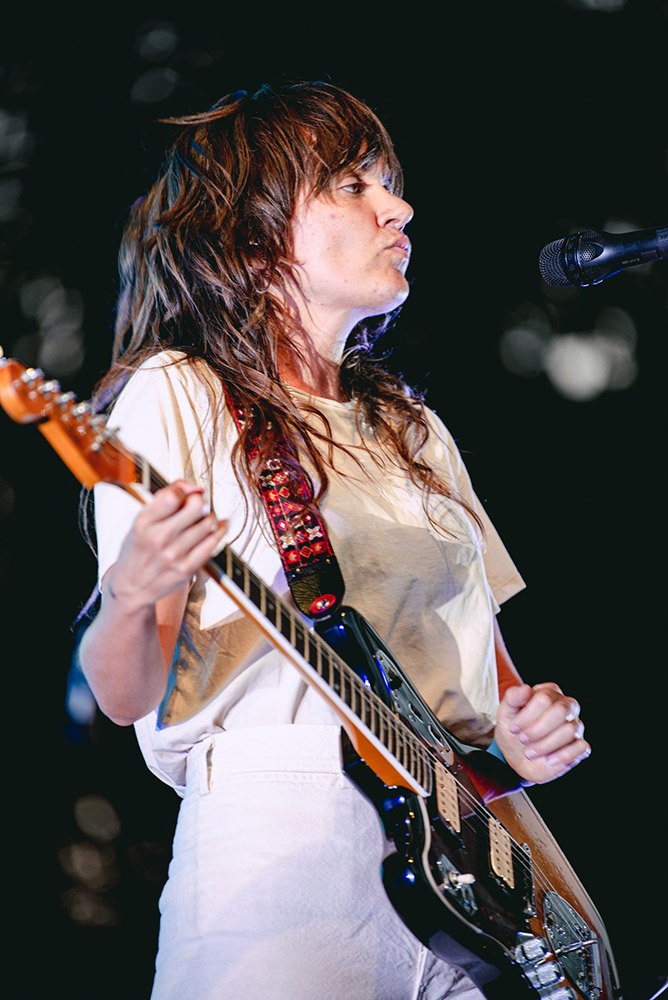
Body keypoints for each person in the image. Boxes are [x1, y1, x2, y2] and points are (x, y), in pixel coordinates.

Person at [78, 81, 590, 999]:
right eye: (352, 184)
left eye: (388, 182)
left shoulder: (415, 431)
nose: (398, 207)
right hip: (284, 843)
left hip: (478, 864)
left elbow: (493, 677)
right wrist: (126, 593)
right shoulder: (182, 393)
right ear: (249, 232)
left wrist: (526, 731)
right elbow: (126, 696)